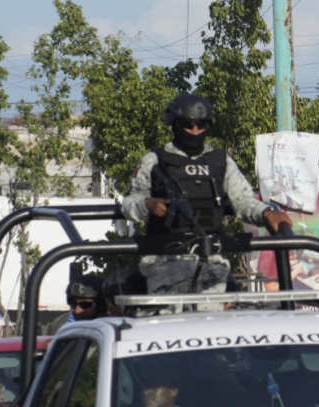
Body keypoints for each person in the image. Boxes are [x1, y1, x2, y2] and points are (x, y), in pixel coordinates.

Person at [121, 94, 291, 296]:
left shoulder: (220, 161)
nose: (194, 131)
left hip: (210, 258)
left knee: (213, 324)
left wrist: (267, 213)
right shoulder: (154, 160)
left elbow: (244, 201)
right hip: (164, 258)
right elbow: (129, 203)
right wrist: (148, 204)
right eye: (188, 125)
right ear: (174, 124)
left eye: (201, 126)